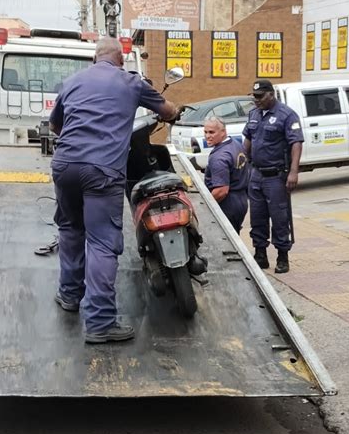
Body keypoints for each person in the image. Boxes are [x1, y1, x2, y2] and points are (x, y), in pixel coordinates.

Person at [49, 37, 177, 344]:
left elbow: (56, 126)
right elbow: (168, 110)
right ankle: (100, 322)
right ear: (121, 59)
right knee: (102, 242)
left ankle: (69, 295)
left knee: (69, 228)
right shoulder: (130, 82)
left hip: (64, 165)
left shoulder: (72, 81)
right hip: (102, 170)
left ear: (95, 59)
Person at [243, 79, 303, 274]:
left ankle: (282, 256)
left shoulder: (286, 115)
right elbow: (248, 140)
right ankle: (260, 254)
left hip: (276, 176)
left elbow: (296, 143)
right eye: (254, 97)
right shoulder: (254, 114)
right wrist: (243, 164)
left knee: (279, 217)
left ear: (271, 95)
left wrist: (293, 171)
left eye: (260, 97)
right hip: (256, 174)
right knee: (257, 216)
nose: (256, 100)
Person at [203, 116, 249, 233]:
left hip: (228, 204)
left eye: (212, 132)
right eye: (206, 132)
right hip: (241, 200)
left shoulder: (219, 157)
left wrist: (205, 207)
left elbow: (221, 191)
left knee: (227, 243)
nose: (208, 136)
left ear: (223, 131)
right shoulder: (235, 144)